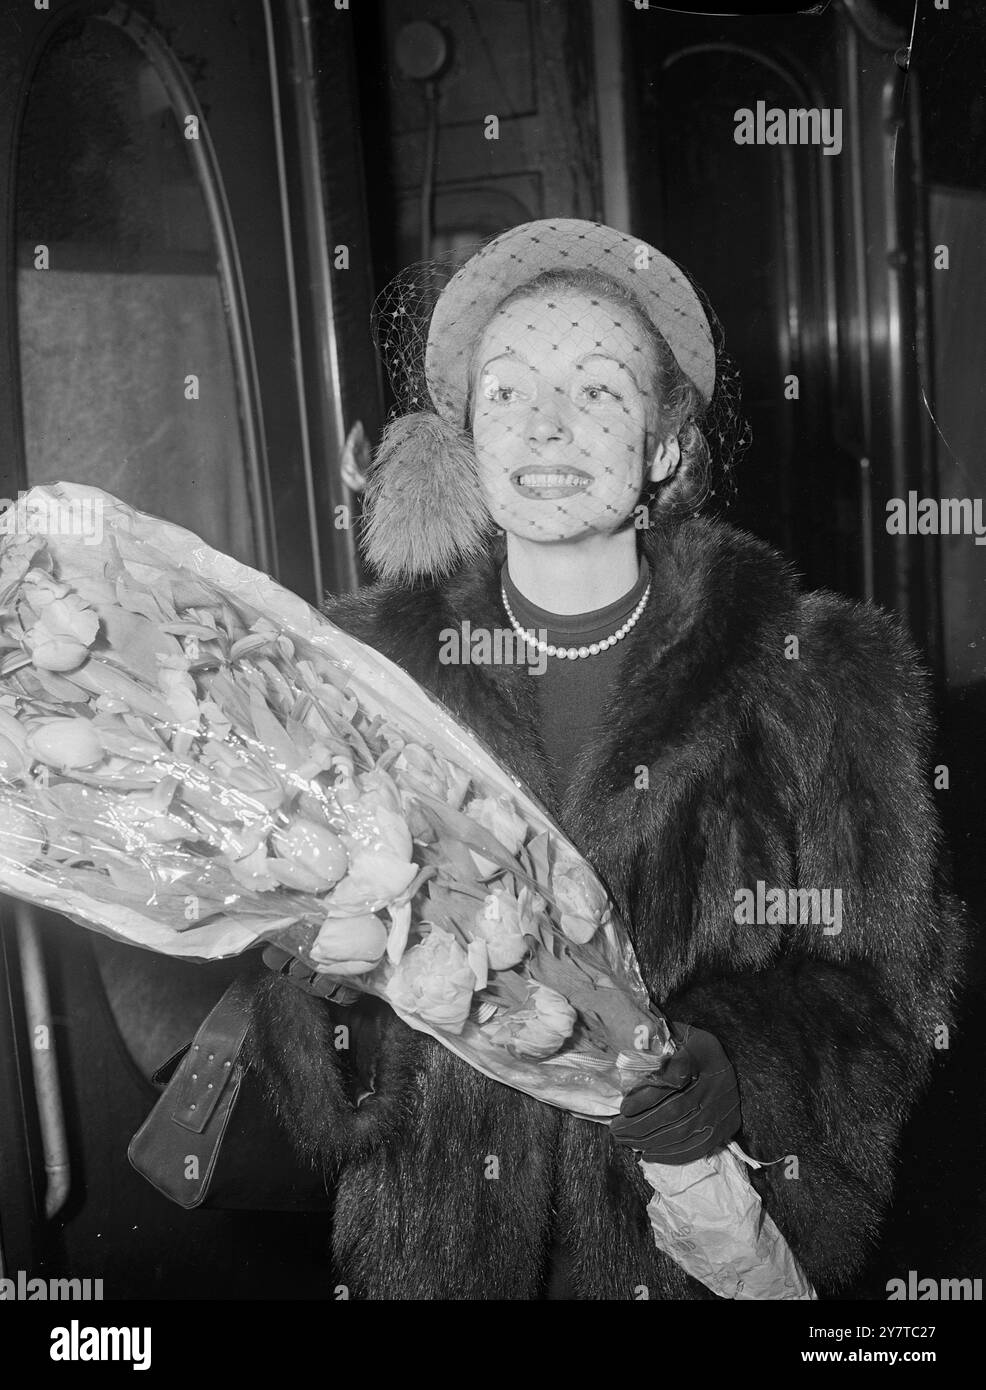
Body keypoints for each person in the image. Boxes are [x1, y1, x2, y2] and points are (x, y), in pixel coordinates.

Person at [248, 219, 967, 1300]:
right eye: (505, 393)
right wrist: (319, 997)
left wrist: (736, 1066)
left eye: (594, 391)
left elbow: (888, 1000)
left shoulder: (819, 678)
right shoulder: (355, 673)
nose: (542, 425)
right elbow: (323, 1080)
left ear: (664, 447)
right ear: (464, 442)